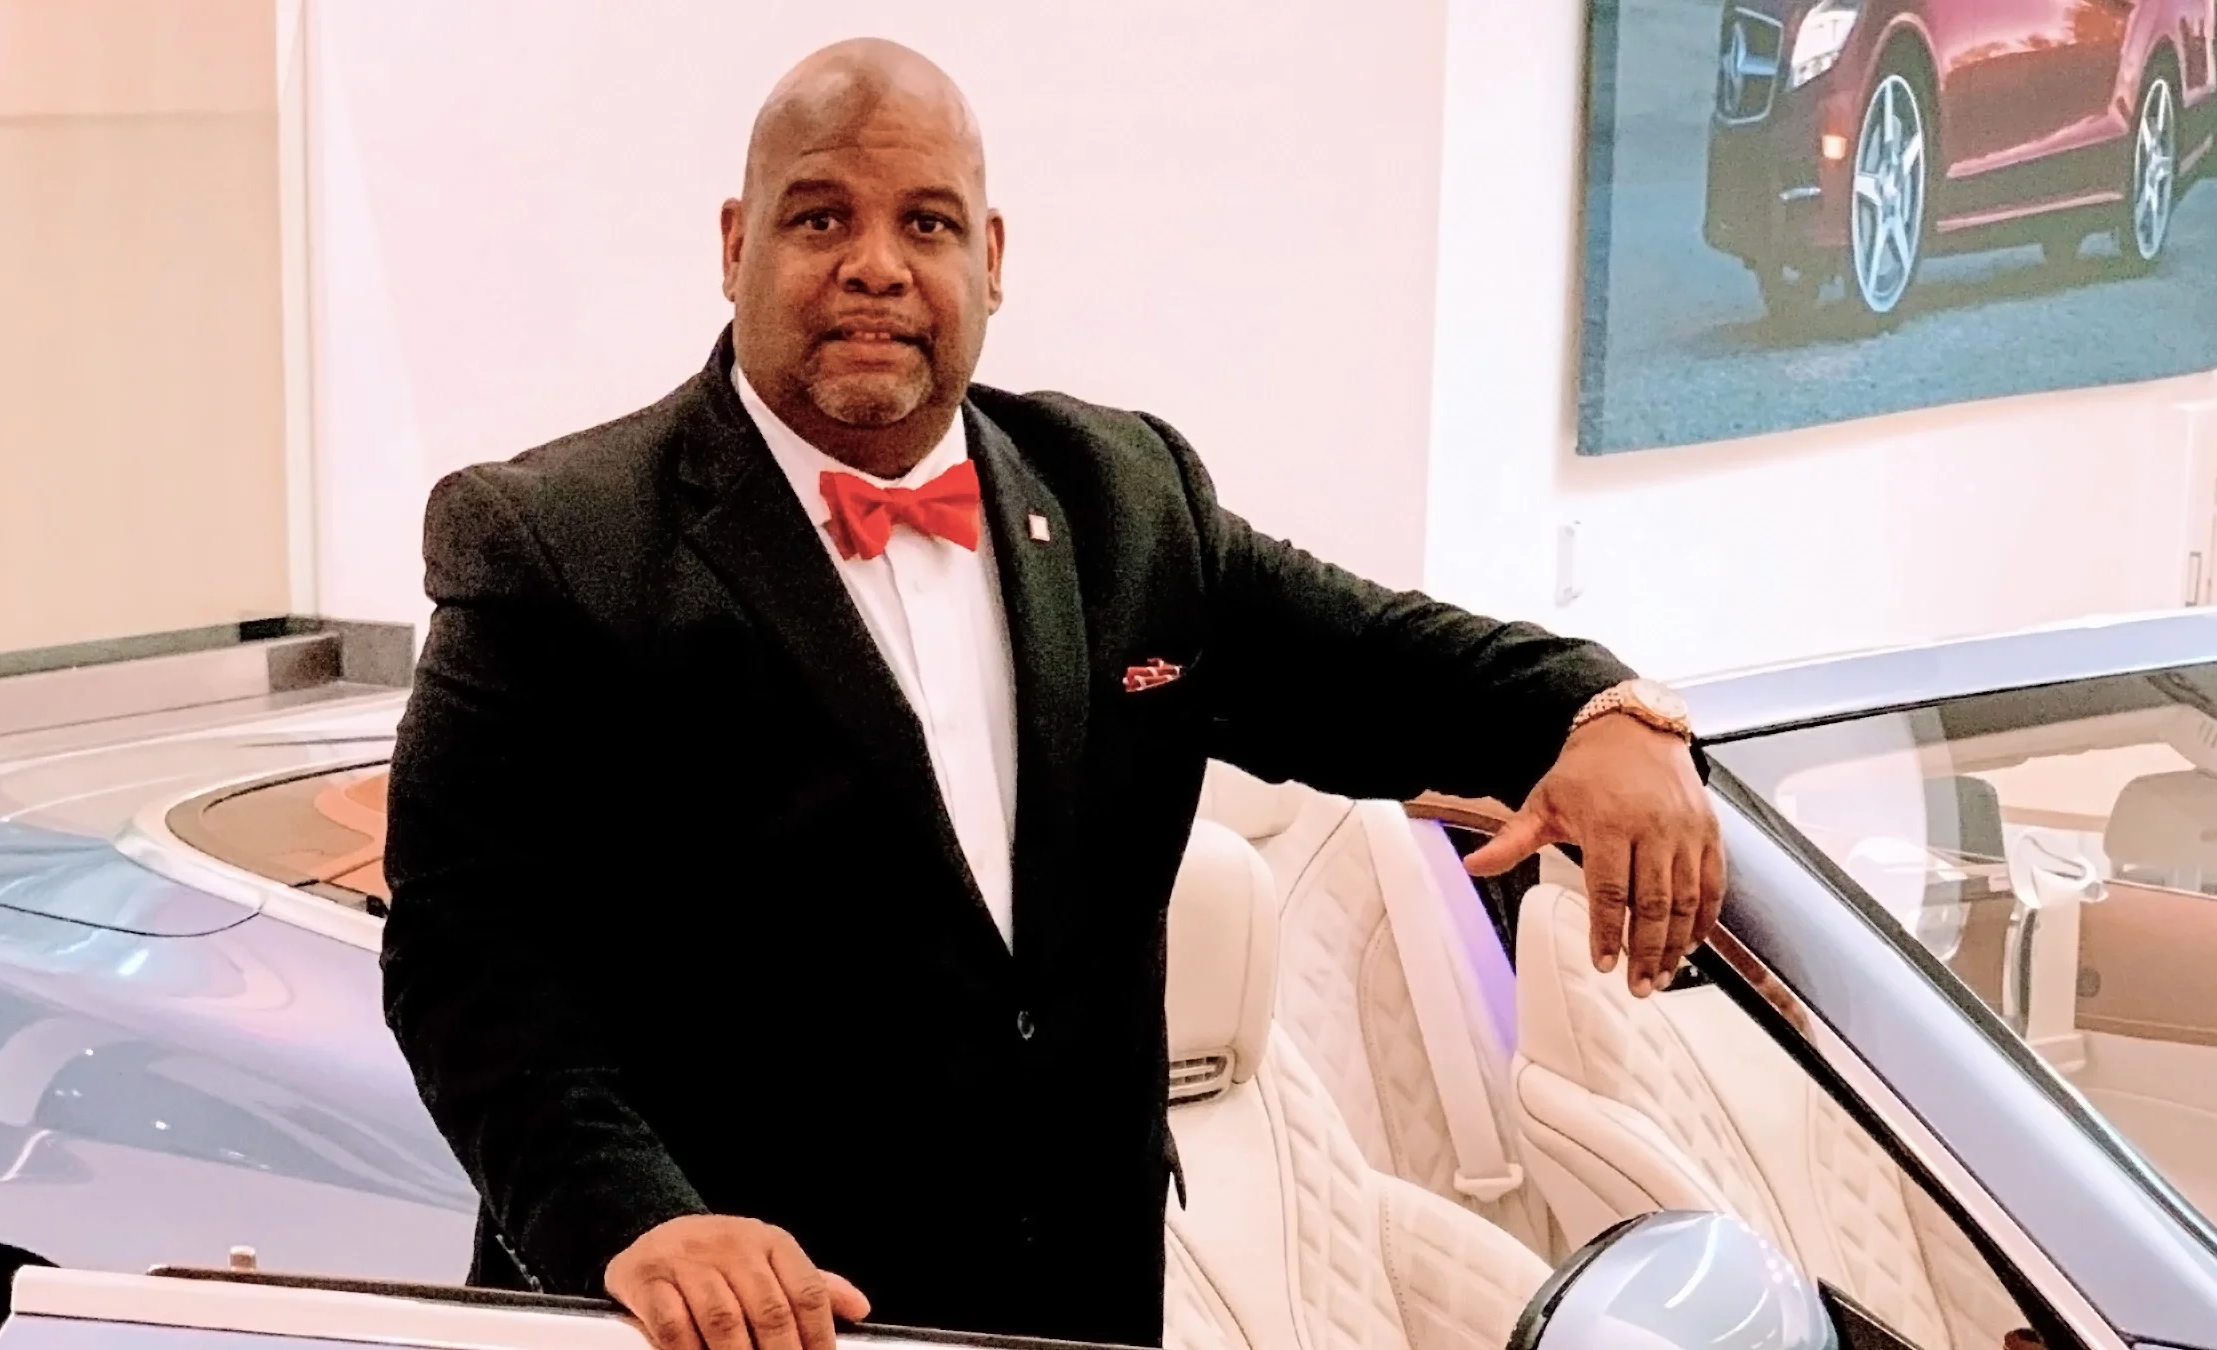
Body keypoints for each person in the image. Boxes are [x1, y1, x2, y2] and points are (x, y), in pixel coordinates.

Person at [379, 36, 1723, 1350]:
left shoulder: (1121, 501)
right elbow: (469, 967)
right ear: (735, 245)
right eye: (820, 216)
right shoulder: (555, 543)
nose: (875, 266)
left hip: (1074, 1314)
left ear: (992, 259)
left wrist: (1598, 711)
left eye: (928, 222)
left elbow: (1380, 661)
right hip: (747, 1328)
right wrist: (638, 1224)